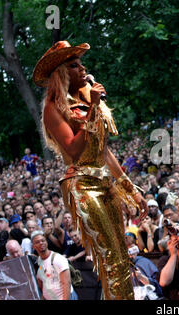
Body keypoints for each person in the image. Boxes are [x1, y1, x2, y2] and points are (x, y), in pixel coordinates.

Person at [33, 40, 147, 299]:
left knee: (122, 258)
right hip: (83, 185)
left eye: (81, 63)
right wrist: (94, 108)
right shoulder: (53, 108)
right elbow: (73, 149)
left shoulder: (86, 98)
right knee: (112, 260)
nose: (82, 68)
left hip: (106, 181)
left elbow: (104, 151)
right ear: (61, 73)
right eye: (74, 65)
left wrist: (131, 189)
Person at [31, 231, 76, 300]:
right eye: (37, 242)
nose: (41, 243)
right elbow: (41, 282)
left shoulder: (58, 258)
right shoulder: (39, 260)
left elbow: (67, 283)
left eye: (43, 241)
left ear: (46, 242)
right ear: (33, 246)